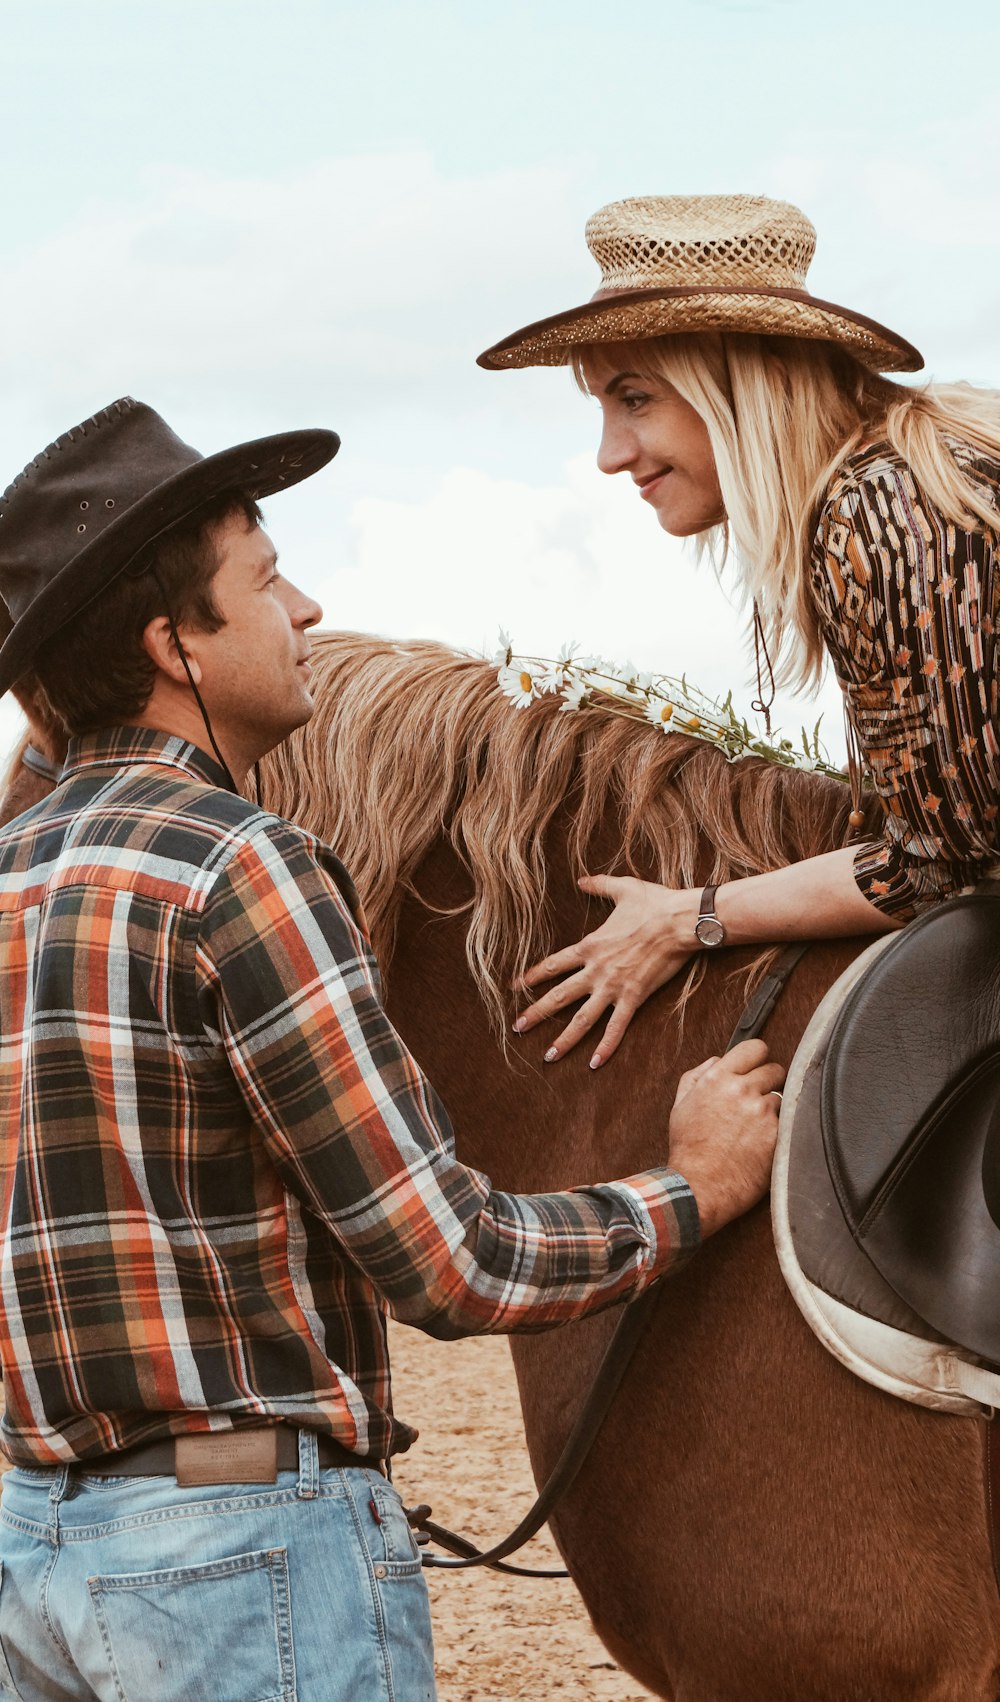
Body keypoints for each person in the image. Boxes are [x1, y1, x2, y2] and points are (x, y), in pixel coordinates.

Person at [0, 397, 783, 1702]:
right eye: (265, 578)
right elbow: (445, 1261)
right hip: (239, 1553)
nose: (306, 610)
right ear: (172, 644)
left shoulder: (13, 877)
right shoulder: (240, 866)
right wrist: (691, 1191)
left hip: (34, 1551)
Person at [478, 193, 1000, 1068]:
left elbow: (944, 866)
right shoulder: (923, 466)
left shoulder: (881, 510)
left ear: (736, 382)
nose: (610, 452)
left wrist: (690, 917)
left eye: (634, 397)